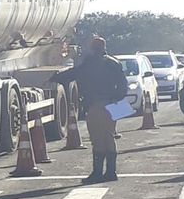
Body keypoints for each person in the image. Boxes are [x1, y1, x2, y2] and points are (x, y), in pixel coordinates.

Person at [51, 36, 128, 184]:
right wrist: (116, 100)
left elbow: (74, 73)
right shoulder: (114, 63)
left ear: (93, 48)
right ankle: (111, 172)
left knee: (97, 139)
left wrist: (56, 77)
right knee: (109, 136)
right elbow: (123, 85)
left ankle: (97, 173)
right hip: (113, 104)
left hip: (96, 104)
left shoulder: (90, 63)